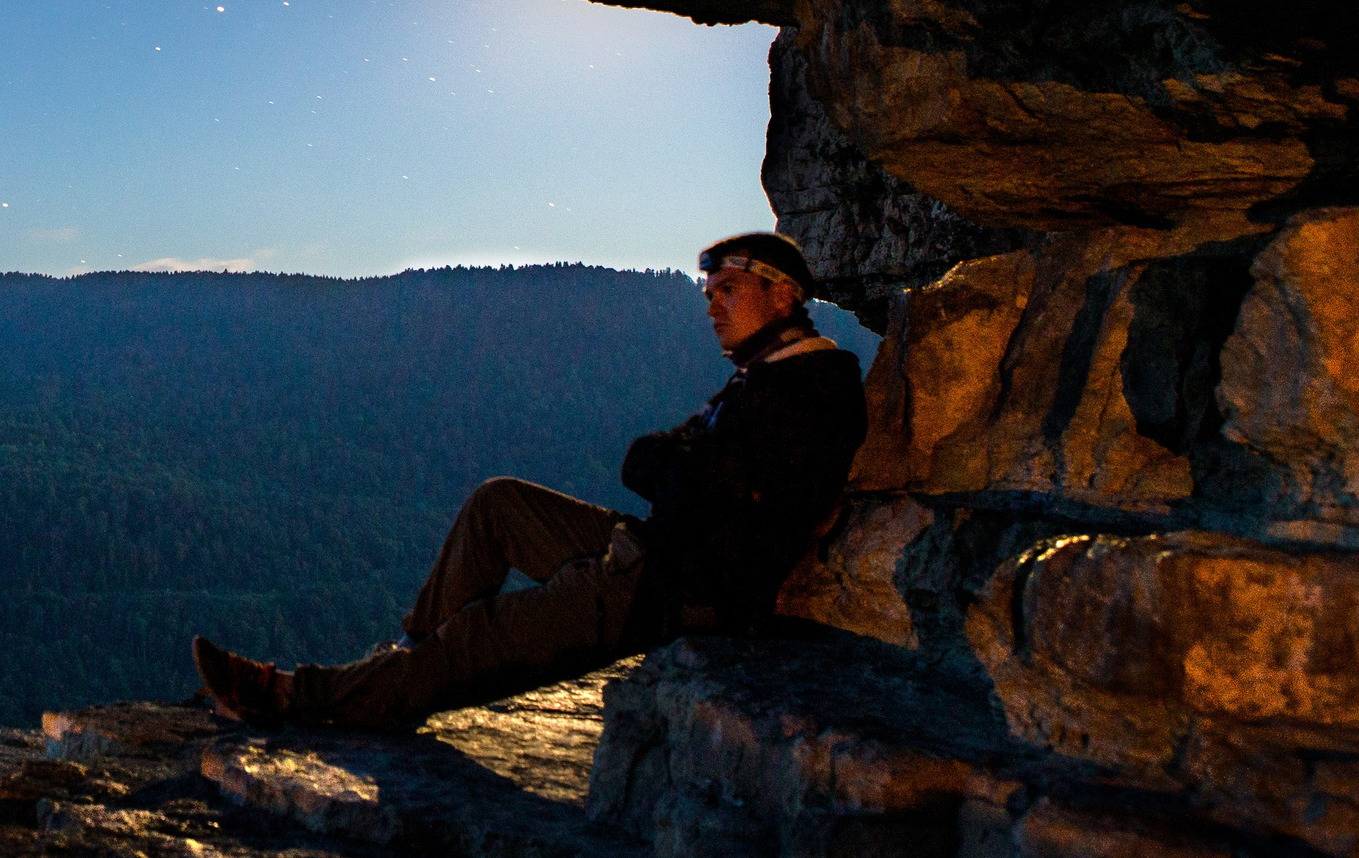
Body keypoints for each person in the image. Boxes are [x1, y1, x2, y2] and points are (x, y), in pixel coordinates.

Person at [190, 232, 867, 730]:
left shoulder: (812, 387)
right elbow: (651, 464)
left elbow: (700, 482)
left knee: (478, 637)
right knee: (499, 503)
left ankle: (287, 694)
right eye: (709, 293)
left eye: (729, 290)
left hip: (670, 592)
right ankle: (403, 668)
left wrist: (685, 465)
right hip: (651, 547)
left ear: (782, 294)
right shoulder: (763, 374)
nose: (713, 307)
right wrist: (686, 467)